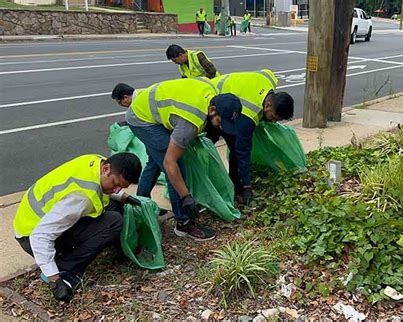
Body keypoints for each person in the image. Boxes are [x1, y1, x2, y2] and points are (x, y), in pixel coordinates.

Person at [111, 79, 242, 241]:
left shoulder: (211, 93)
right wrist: (186, 196)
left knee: (154, 162)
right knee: (175, 165)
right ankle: (183, 223)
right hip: (141, 120)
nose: (222, 127)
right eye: (221, 122)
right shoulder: (190, 122)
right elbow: (170, 162)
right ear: (212, 109)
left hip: (151, 110)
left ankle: (141, 204)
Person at [13, 153, 142, 303]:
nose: (116, 190)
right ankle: (65, 268)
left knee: (115, 204)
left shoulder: (96, 161)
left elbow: (105, 187)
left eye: (121, 187)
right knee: (114, 222)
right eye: (115, 184)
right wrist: (55, 281)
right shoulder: (80, 198)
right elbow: (40, 236)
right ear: (106, 169)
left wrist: (124, 197)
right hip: (31, 236)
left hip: (34, 219)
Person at [208, 69, 294, 204]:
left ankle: (234, 184)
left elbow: (265, 72)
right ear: (268, 105)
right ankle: (226, 187)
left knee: (235, 146)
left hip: (224, 97)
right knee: (218, 147)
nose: (273, 121)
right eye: (273, 117)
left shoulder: (268, 80)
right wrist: (247, 186)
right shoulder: (249, 115)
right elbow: (243, 151)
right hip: (212, 102)